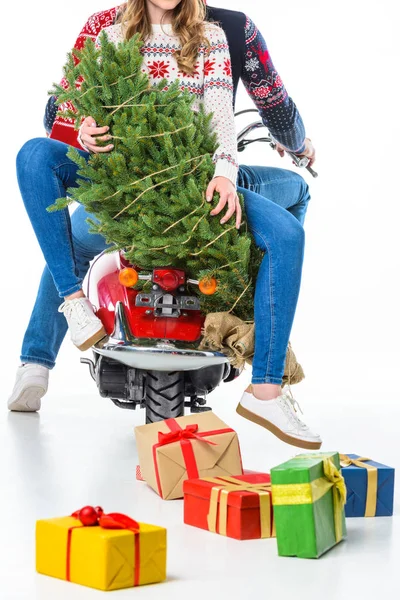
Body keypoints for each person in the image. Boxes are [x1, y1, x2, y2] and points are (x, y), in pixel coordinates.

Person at [9, 0, 320, 450]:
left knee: (77, 240)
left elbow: (221, 117)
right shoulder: (109, 30)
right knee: (38, 164)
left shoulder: (216, 33)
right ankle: (68, 316)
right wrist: (84, 129)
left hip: (197, 179)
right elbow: (66, 110)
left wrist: (224, 172)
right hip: (120, 182)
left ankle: (35, 363)